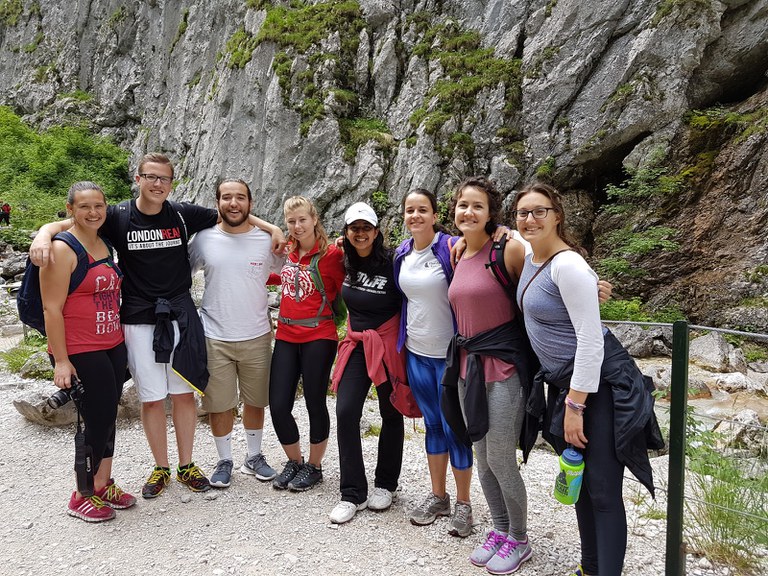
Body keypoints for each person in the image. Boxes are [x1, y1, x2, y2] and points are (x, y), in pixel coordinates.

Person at [30, 153, 284, 500]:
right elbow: (78, 224)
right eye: (150, 177)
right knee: (151, 399)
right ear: (138, 179)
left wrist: (272, 227)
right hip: (138, 317)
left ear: (171, 183)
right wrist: (44, 233)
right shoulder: (117, 215)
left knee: (183, 395)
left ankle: (186, 464)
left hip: (179, 314)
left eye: (164, 178)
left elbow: (231, 212)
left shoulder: (181, 213)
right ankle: (160, 466)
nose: (157, 184)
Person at [513, 182, 661, 576]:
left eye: (539, 211)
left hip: (602, 386)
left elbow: (592, 343)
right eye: (523, 212)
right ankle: (589, 568)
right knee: (578, 483)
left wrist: (575, 407)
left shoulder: (568, 265)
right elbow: (500, 232)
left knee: (602, 490)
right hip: (568, 384)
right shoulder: (532, 254)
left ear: (557, 215)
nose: (530, 219)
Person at [441, 176, 539, 574]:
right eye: (463, 205)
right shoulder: (458, 251)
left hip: (504, 367)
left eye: (477, 206)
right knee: (481, 456)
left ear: (490, 212)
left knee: (500, 457)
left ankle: (520, 538)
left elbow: (545, 271)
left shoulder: (509, 246)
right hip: (468, 368)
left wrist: (589, 286)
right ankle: (498, 530)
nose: (469, 212)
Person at [40, 181, 135, 522]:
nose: (93, 212)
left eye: (99, 206)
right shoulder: (63, 249)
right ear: (71, 210)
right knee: (95, 419)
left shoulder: (102, 242)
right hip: (80, 348)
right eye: (84, 207)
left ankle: (101, 483)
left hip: (111, 343)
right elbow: (51, 309)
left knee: (107, 416)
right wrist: (62, 361)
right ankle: (80, 494)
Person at [188, 179, 283, 488]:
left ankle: (253, 456)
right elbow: (178, 273)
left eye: (240, 197)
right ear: (217, 203)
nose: (233, 203)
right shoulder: (203, 239)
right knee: (220, 403)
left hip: (256, 333)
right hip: (215, 335)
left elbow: (293, 266)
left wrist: (276, 230)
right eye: (226, 197)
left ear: (250, 203)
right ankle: (224, 459)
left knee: (256, 400)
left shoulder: (266, 240)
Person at [392, 188, 474, 537]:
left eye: (422, 210)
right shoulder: (402, 253)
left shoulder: (451, 247)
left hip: (450, 356)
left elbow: (492, 249)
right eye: (410, 210)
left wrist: (504, 231)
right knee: (432, 425)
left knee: (456, 427)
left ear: (435, 214)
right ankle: (439, 496)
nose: (415, 216)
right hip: (416, 352)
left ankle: (464, 503)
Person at [328, 202, 405, 524]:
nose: (360, 233)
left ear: (376, 232)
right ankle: (352, 493)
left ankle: (386, 484)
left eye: (366, 228)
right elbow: (299, 242)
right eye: (354, 228)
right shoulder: (342, 260)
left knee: (391, 410)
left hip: (387, 345)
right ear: (346, 233)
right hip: (357, 343)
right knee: (346, 411)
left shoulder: (393, 262)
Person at [268, 196, 345, 491]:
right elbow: (271, 275)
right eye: (291, 221)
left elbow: (356, 269)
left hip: (319, 335)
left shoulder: (332, 255)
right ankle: (294, 461)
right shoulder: (286, 251)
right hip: (286, 335)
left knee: (315, 402)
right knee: (278, 404)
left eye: (302, 219)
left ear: (314, 219)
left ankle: (314, 466)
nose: (297, 226)